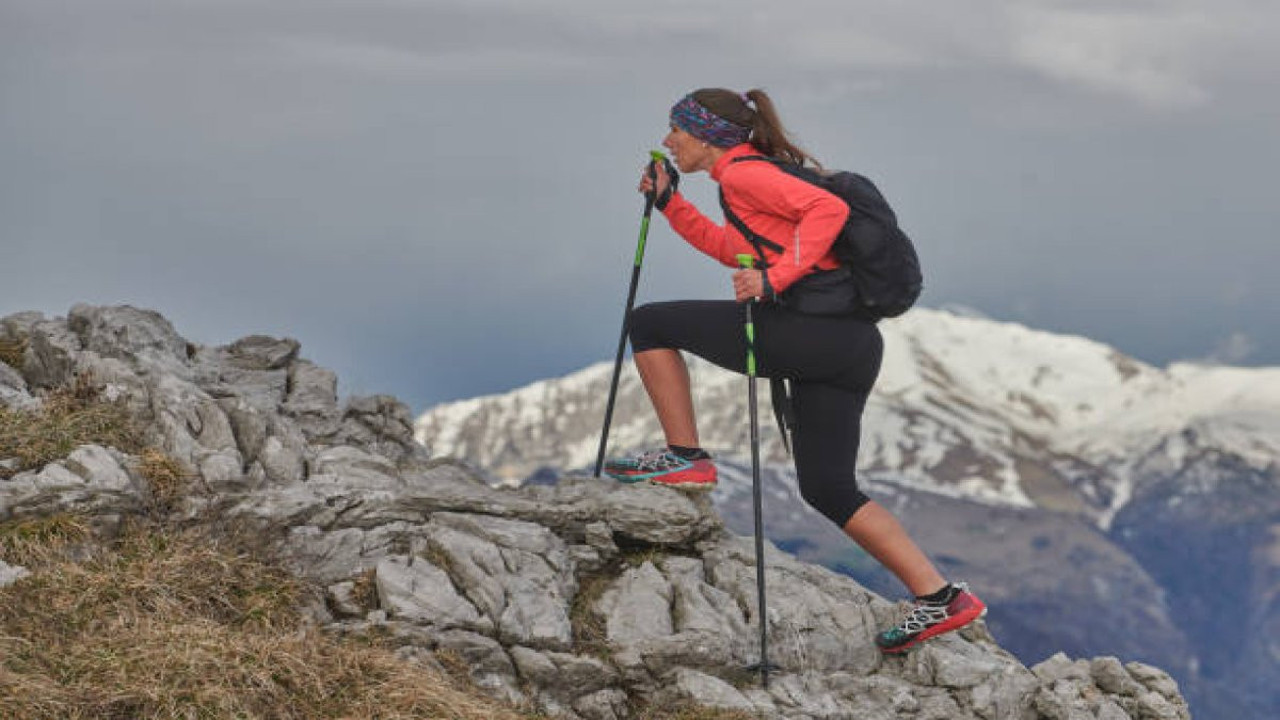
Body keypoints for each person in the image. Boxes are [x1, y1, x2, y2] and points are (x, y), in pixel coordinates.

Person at [603, 88, 986, 654]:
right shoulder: (747, 180)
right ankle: (940, 597)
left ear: (706, 136)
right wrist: (671, 205)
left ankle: (684, 457)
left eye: (677, 130)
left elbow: (825, 212)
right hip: (851, 344)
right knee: (828, 488)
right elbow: (732, 248)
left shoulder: (743, 176)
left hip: (814, 336)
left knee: (651, 323)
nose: (668, 141)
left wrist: (775, 280)